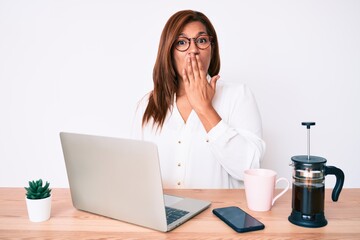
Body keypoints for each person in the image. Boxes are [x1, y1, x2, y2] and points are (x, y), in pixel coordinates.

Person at [132, 10, 265, 189]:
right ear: (169, 52)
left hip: (218, 215)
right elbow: (137, 175)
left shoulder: (238, 95)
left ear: (212, 48)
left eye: (201, 40)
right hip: (165, 215)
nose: (193, 50)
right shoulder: (148, 104)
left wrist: (204, 108)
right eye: (182, 42)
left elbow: (249, 168)